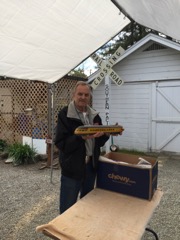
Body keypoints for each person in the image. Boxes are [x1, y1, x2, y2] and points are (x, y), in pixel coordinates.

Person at [55, 81, 109, 214]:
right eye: (80, 94)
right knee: (67, 207)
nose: (83, 97)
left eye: (86, 94)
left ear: (89, 97)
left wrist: (104, 134)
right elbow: (61, 143)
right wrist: (81, 137)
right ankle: (64, 232)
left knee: (87, 204)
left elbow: (100, 142)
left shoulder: (95, 115)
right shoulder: (65, 114)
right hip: (72, 168)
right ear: (74, 95)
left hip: (91, 166)